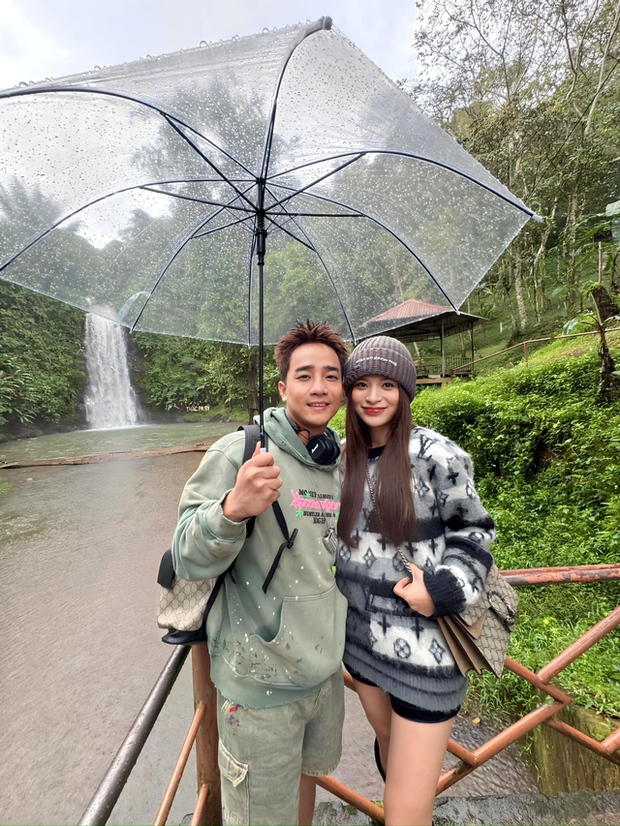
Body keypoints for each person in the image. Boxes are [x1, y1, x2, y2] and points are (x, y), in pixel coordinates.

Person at [172, 320, 348, 826]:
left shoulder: (335, 460)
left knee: (305, 797)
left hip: (324, 678)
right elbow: (185, 554)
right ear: (283, 387)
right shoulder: (238, 453)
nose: (319, 387)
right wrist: (233, 508)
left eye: (331, 376)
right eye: (305, 375)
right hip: (259, 689)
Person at [335, 336, 495, 826]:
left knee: (405, 810)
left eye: (387, 384)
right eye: (361, 384)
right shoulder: (340, 458)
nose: (373, 396)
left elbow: (475, 533)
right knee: (388, 751)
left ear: (405, 391)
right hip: (361, 647)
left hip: (428, 655)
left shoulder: (437, 455)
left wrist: (443, 590)